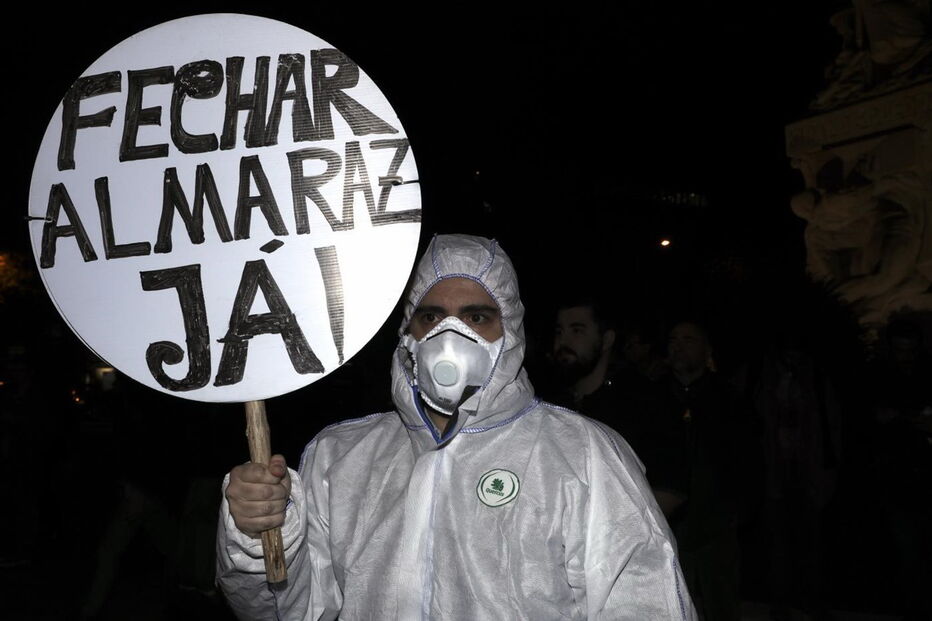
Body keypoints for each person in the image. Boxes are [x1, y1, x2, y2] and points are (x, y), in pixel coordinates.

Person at [216, 234, 696, 620]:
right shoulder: (340, 458)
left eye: (476, 317)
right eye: (432, 316)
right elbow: (287, 609)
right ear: (409, 332)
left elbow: (645, 600)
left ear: (509, 331)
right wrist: (257, 535)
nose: (451, 335)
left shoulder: (582, 454)